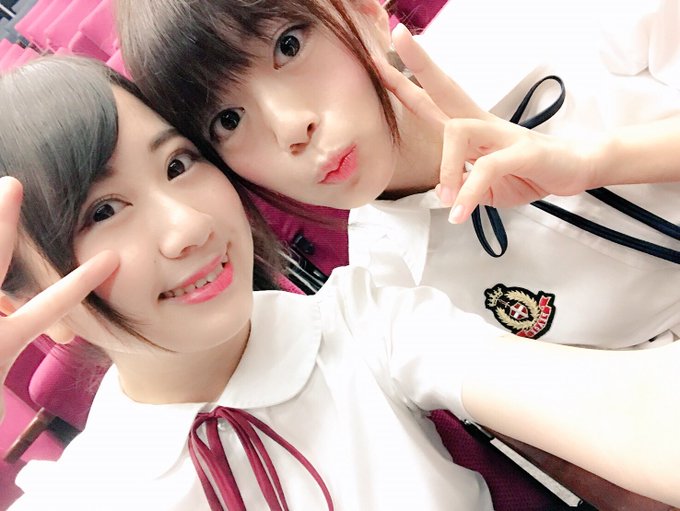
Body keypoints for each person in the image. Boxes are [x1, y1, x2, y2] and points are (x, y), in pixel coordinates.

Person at [0, 56, 679, 509]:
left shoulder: (367, 322)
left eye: (178, 165)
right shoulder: (84, 492)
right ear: (27, 303)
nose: (189, 227)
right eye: (103, 212)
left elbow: (630, 411)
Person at [116, 0, 680, 349]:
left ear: (362, 8)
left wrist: (596, 161)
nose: (291, 127)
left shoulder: (539, 16)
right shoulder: (390, 282)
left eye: (289, 45)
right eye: (228, 119)